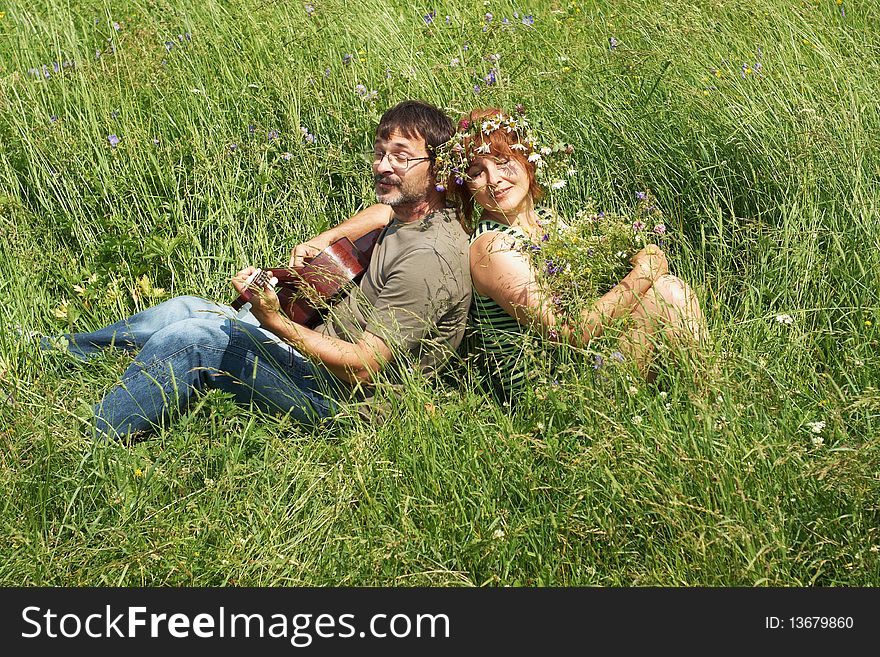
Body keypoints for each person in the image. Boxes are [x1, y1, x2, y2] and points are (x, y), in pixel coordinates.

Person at [46, 100, 471, 438]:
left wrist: (274, 320)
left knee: (197, 338)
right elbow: (381, 212)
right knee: (183, 308)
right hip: (320, 352)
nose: (382, 166)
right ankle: (55, 351)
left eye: (401, 156)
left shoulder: (428, 259)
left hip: (345, 401)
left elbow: (363, 365)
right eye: (380, 153)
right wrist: (324, 242)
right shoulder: (416, 213)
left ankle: (89, 442)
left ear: (437, 169)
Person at [441, 108, 705, 398]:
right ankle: (710, 402)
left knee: (666, 291)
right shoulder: (493, 247)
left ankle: (701, 402)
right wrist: (643, 273)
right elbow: (566, 332)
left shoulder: (546, 219)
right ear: (466, 185)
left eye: (503, 162)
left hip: (585, 361)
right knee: (668, 293)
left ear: (527, 157)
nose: (494, 180)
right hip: (552, 394)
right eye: (477, 172)